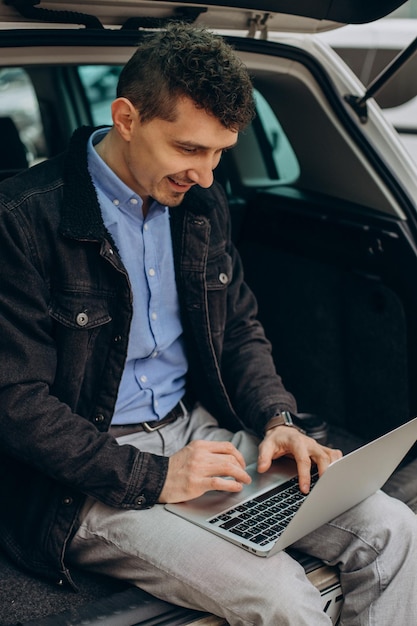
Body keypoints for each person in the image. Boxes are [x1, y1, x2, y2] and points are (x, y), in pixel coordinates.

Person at [0, 22, 416, 626]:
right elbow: (16, 403)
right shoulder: (20, 221)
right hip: (86, 474)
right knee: (282, 594)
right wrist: (153, 476)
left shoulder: (198, 205)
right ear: (126, 117)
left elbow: (239, 328)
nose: (207, 175)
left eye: (221, 152)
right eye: (190, 149)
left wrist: (277, 419)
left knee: (396, 530)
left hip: (200, 434)